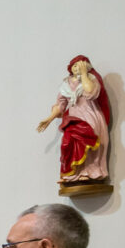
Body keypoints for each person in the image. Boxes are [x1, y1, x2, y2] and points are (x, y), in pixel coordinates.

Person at [37, 55, 111, 184]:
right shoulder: (66, 84)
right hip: (73, 117)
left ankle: (89, 171)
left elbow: (90, 92)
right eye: (75, 65)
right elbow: (60, 105)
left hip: (90, 115)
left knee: (89, 140)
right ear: (70, 68)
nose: (77, 67)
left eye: (81, 65)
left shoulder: (91, 79)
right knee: (67, 143)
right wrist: (49, 119)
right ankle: (72, 174)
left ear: (87, 67)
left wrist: (84, 75)